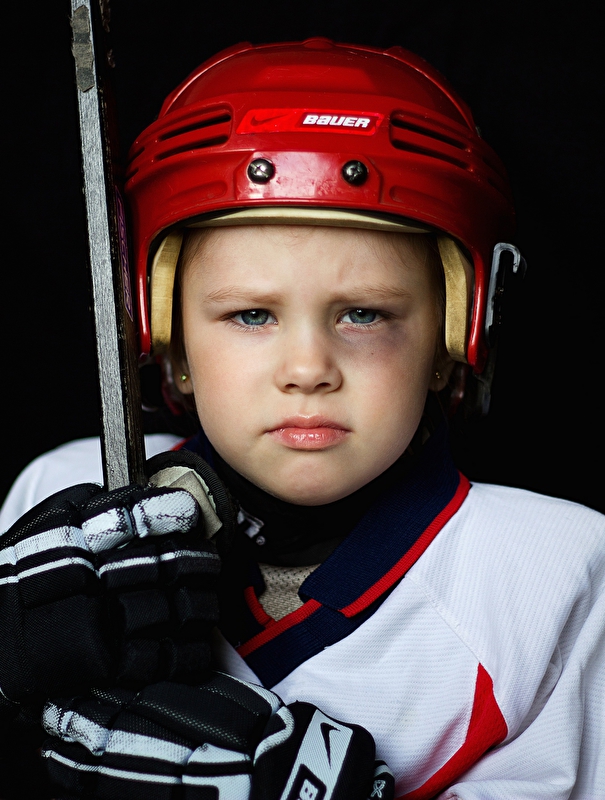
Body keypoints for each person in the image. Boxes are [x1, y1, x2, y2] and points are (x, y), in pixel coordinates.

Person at [1, 38, 604, 800]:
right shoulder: (61, 512)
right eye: (252, 315)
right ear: (167, 341)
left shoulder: (551, 580)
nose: (308, 367)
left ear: (455, 339)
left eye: (363, 314)